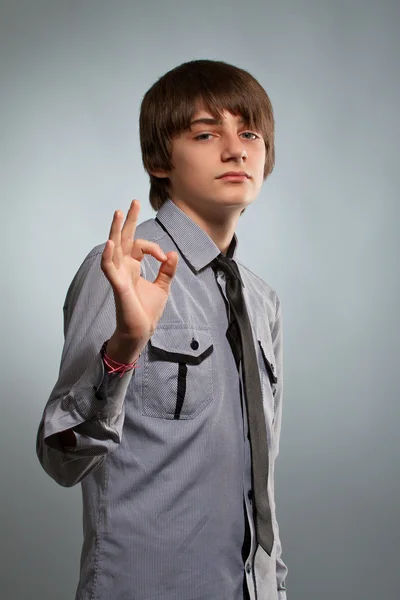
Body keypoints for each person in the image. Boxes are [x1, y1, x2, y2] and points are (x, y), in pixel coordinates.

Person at [36, 59, 288, 600]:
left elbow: (258, 483)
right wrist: (126, 343)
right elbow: (62, 458)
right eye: (205, 133)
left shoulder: (261, 301)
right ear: (158, 160)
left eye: (249, 133)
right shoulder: (124, 270)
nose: (235, 149)